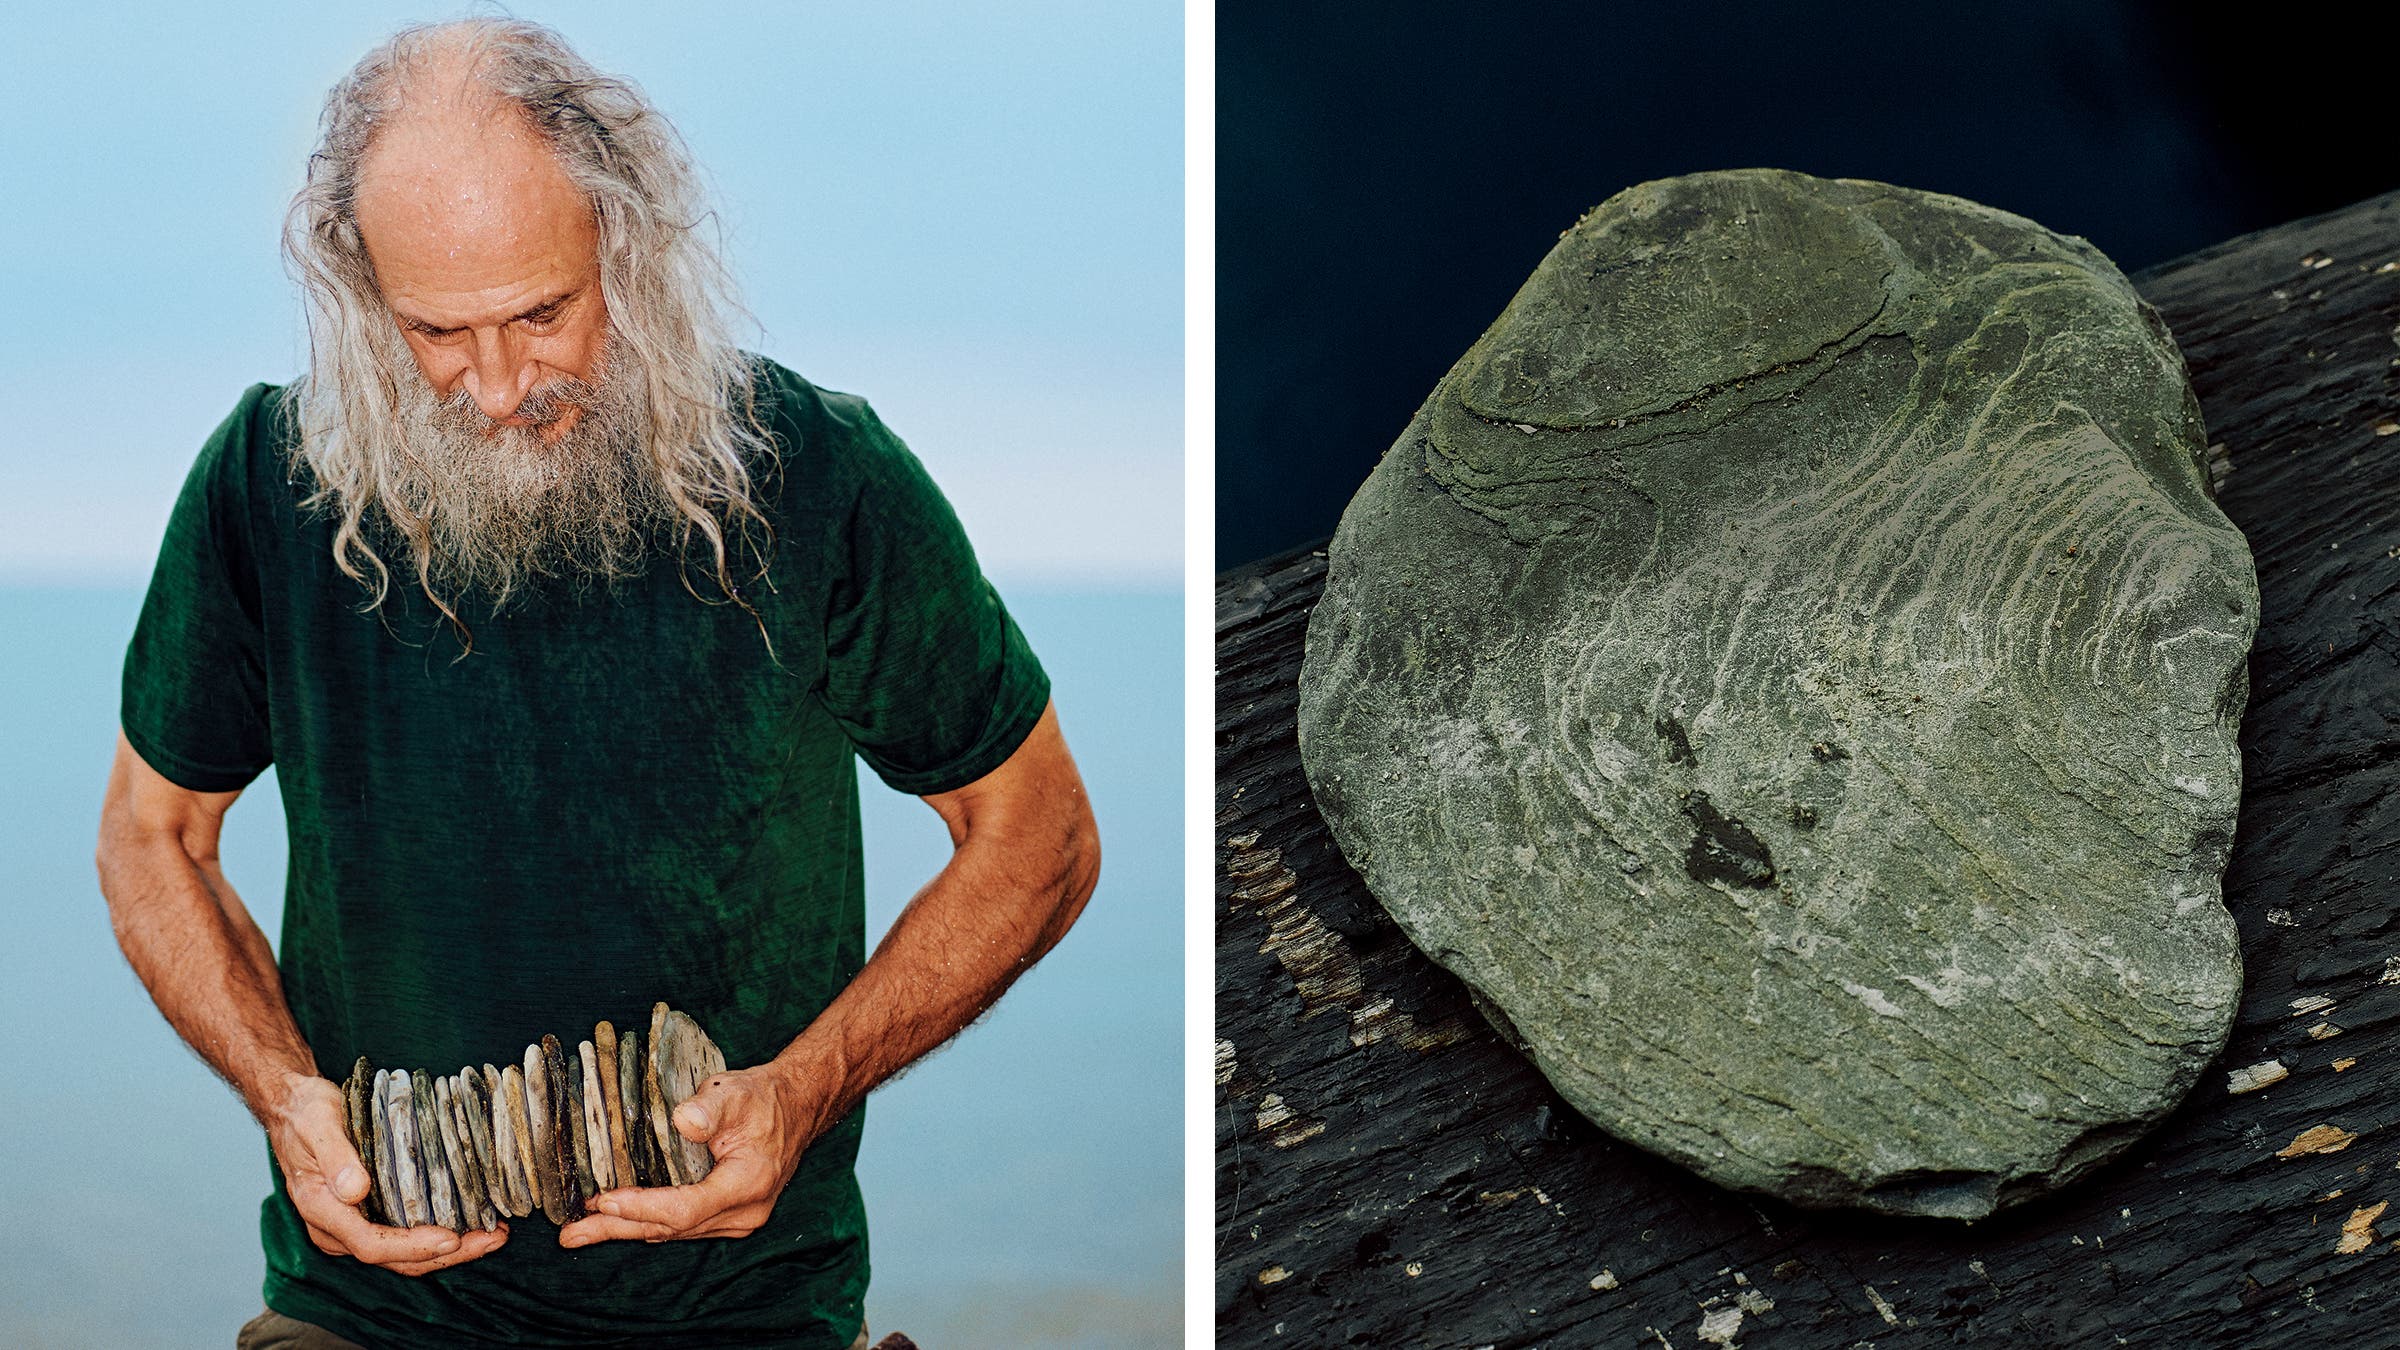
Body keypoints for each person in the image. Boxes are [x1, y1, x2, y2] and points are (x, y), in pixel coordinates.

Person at [92, 17, 1098, 1350]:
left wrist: (806, 1088)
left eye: (542, 314)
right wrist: (284, 1095)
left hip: (747, 1316)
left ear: (627, 246)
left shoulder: (820, 473)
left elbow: (1041, 832)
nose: (501, 385)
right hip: (368, 1315)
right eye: (437, 331)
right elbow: (152, 834)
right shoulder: (262, 486)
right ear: (359, 290)